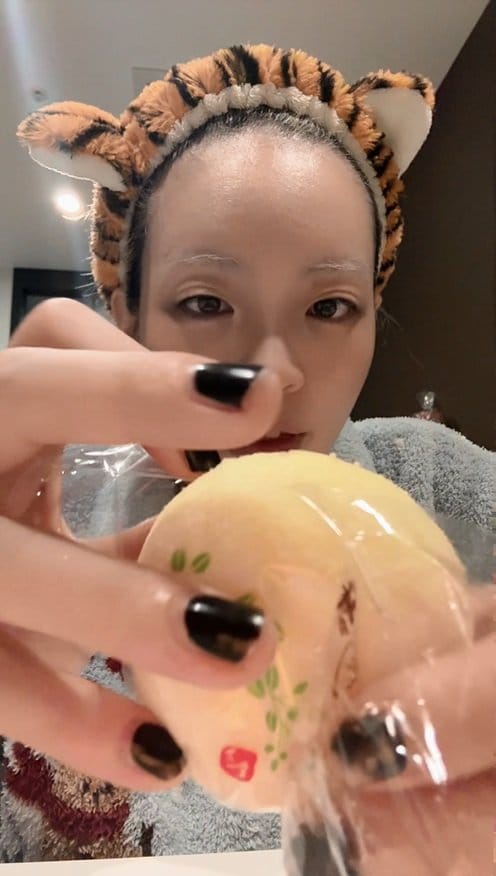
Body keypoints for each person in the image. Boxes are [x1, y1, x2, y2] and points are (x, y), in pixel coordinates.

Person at [1, 43, 494, 872]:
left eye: (330, 307)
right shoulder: (42, 534)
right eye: (204, 301)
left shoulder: (440, 486)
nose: (274, 373)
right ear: (126, 315)